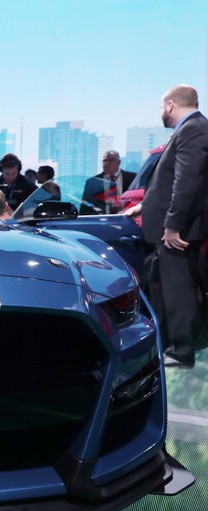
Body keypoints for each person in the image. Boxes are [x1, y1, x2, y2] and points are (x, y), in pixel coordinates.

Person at [125, 85, 208, 369]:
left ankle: (182, 351)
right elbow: (169, 182)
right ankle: (167, 347)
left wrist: (173, 226)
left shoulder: (194, 129)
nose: (162, 112)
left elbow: (188, 182)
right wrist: (144, 206)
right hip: (163, 228)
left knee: (178, 290)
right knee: (162, 288)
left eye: (162, 107)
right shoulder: (189, 130)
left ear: (170, 105)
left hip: (176, 231)